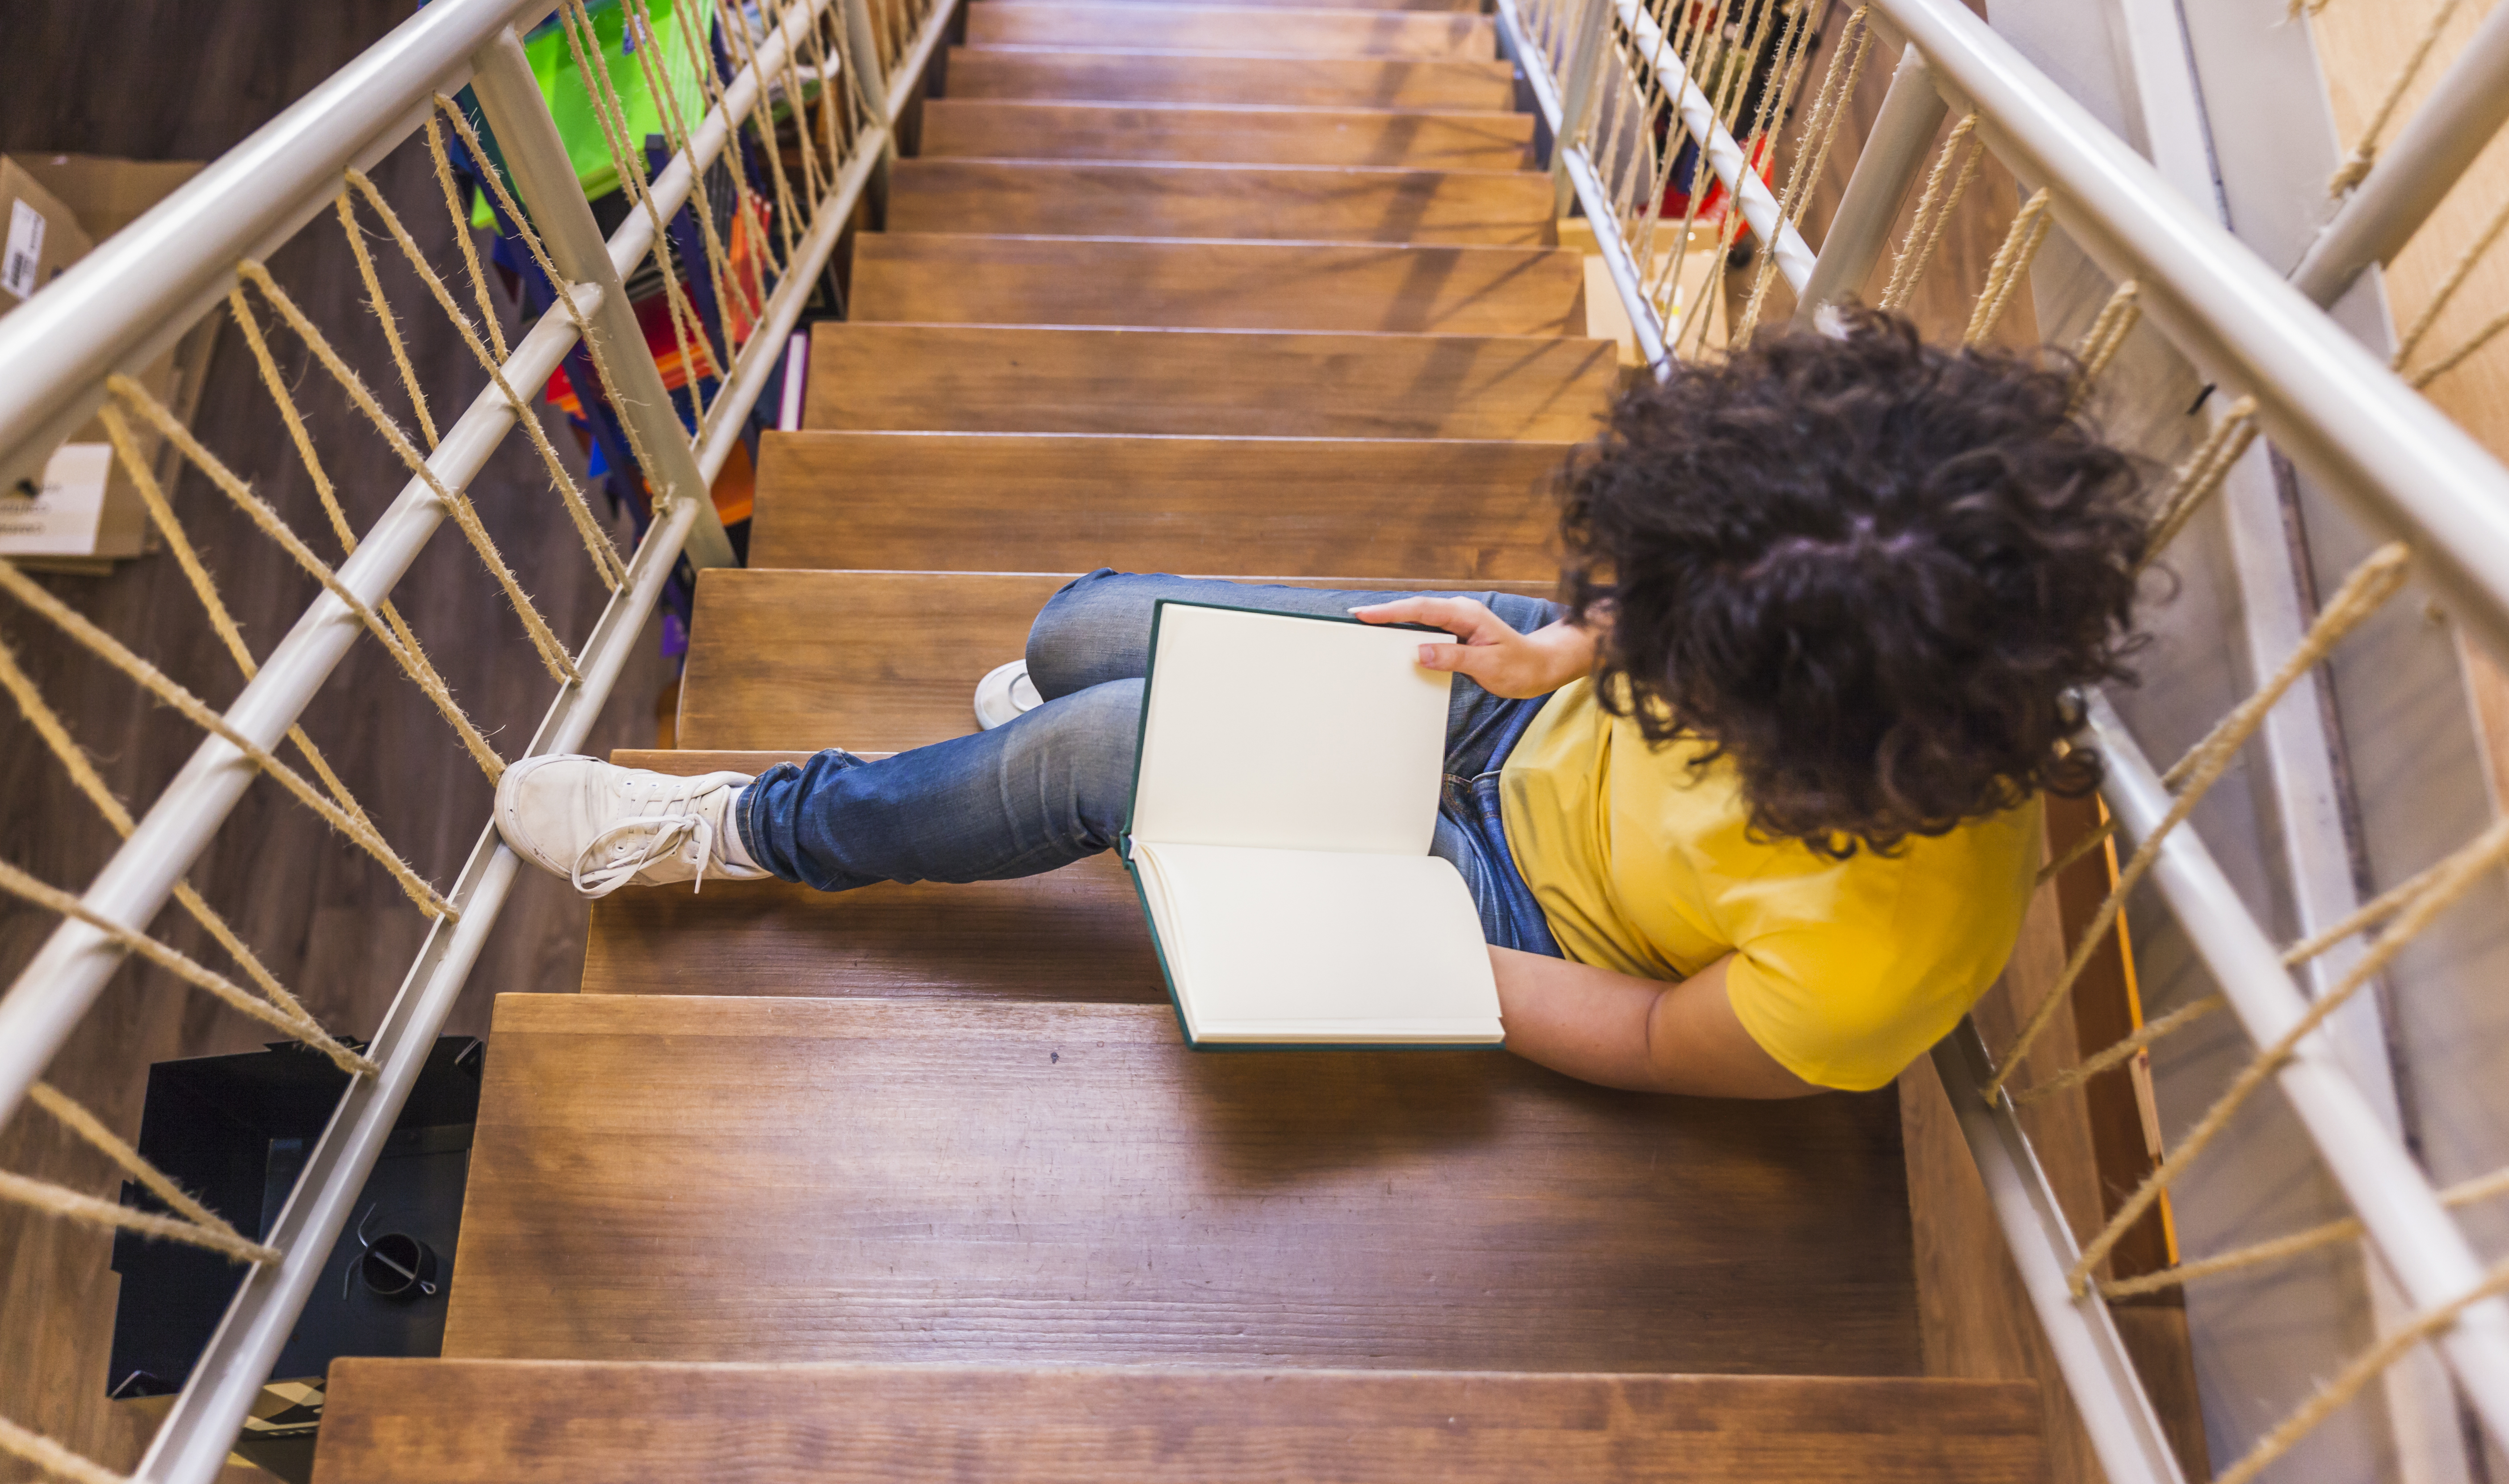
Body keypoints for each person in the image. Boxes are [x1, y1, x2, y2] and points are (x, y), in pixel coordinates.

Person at [495, 314, 2147, 1099]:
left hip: (1506, 909)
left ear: (1798, 730)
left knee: (1100, 745)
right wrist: (1559, 654)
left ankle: (752, 828)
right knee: (1077, 632)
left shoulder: (1890, 952)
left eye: (1676, 658)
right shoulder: (1804, 610)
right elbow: (1649, 627)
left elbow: (1653, 1033)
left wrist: (1415, 941)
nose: (1637, 636)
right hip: (1505, 717)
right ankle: (1077, 767)